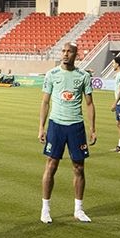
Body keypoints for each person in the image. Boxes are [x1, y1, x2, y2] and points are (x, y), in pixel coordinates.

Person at [37, 41, 97, 224]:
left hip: (76, 126)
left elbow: (89, 103)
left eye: (69, 51)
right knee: (51, 165)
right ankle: (45, 209)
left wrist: (92, 128)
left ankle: (78, 209)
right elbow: (45, 102)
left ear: (75, 54)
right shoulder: (52, 74)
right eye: (63, 51)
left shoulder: (83, 76)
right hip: (56, 125)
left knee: (79, 168)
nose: (65, 54)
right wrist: (41, 127)